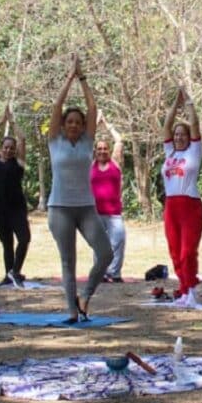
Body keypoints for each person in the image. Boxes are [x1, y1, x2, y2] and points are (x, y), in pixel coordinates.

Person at [47, 55, 114, 323]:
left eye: (78, 121)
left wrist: (82, 77)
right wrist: (68, 79)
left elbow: (93, 106)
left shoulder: (87, 142)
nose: (74, 125)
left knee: (106, 253)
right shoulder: (54, 141)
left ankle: (85, 296)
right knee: (68, 261)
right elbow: (57, 106)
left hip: (86, 207)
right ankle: (72, 312)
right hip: (60, 208)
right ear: (63, 125)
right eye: (70, 121)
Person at [161, 87, 202, 306]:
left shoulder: (193, 152)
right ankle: (184, 289)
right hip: (171, 206)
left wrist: (188, 103)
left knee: (188, 251)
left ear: (189, 138)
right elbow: (166, 126)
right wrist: (174, 104)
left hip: (190, 205)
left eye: (182, 134)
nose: (178, 137)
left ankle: (192, 289)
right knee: (175, 251)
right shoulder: (170, 153)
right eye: (176, 135)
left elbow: (195, 124)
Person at [0, 106, 30, 289]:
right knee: (7, 243)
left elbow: (22, 138)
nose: (9, 150)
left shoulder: (18, 162)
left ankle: (15, 271)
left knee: (24, 238)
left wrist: (12, 122)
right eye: (6, 147)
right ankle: (8, 275)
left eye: (11, 148)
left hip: (16, 208)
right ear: (1, 148)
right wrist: (1, 122)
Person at [91, 112, 126, 283]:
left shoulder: (115, 163)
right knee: (98, 245)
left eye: (105, 148)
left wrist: (106, 123)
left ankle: (114, 273)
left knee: (118, 241)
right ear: (95, 151)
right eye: (99, 148)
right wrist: (95, 123)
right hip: (95, 213)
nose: (102, 151)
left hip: (114, 214)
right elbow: (87, 141)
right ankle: (100, 273)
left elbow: (119, 140)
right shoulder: (91, 165)